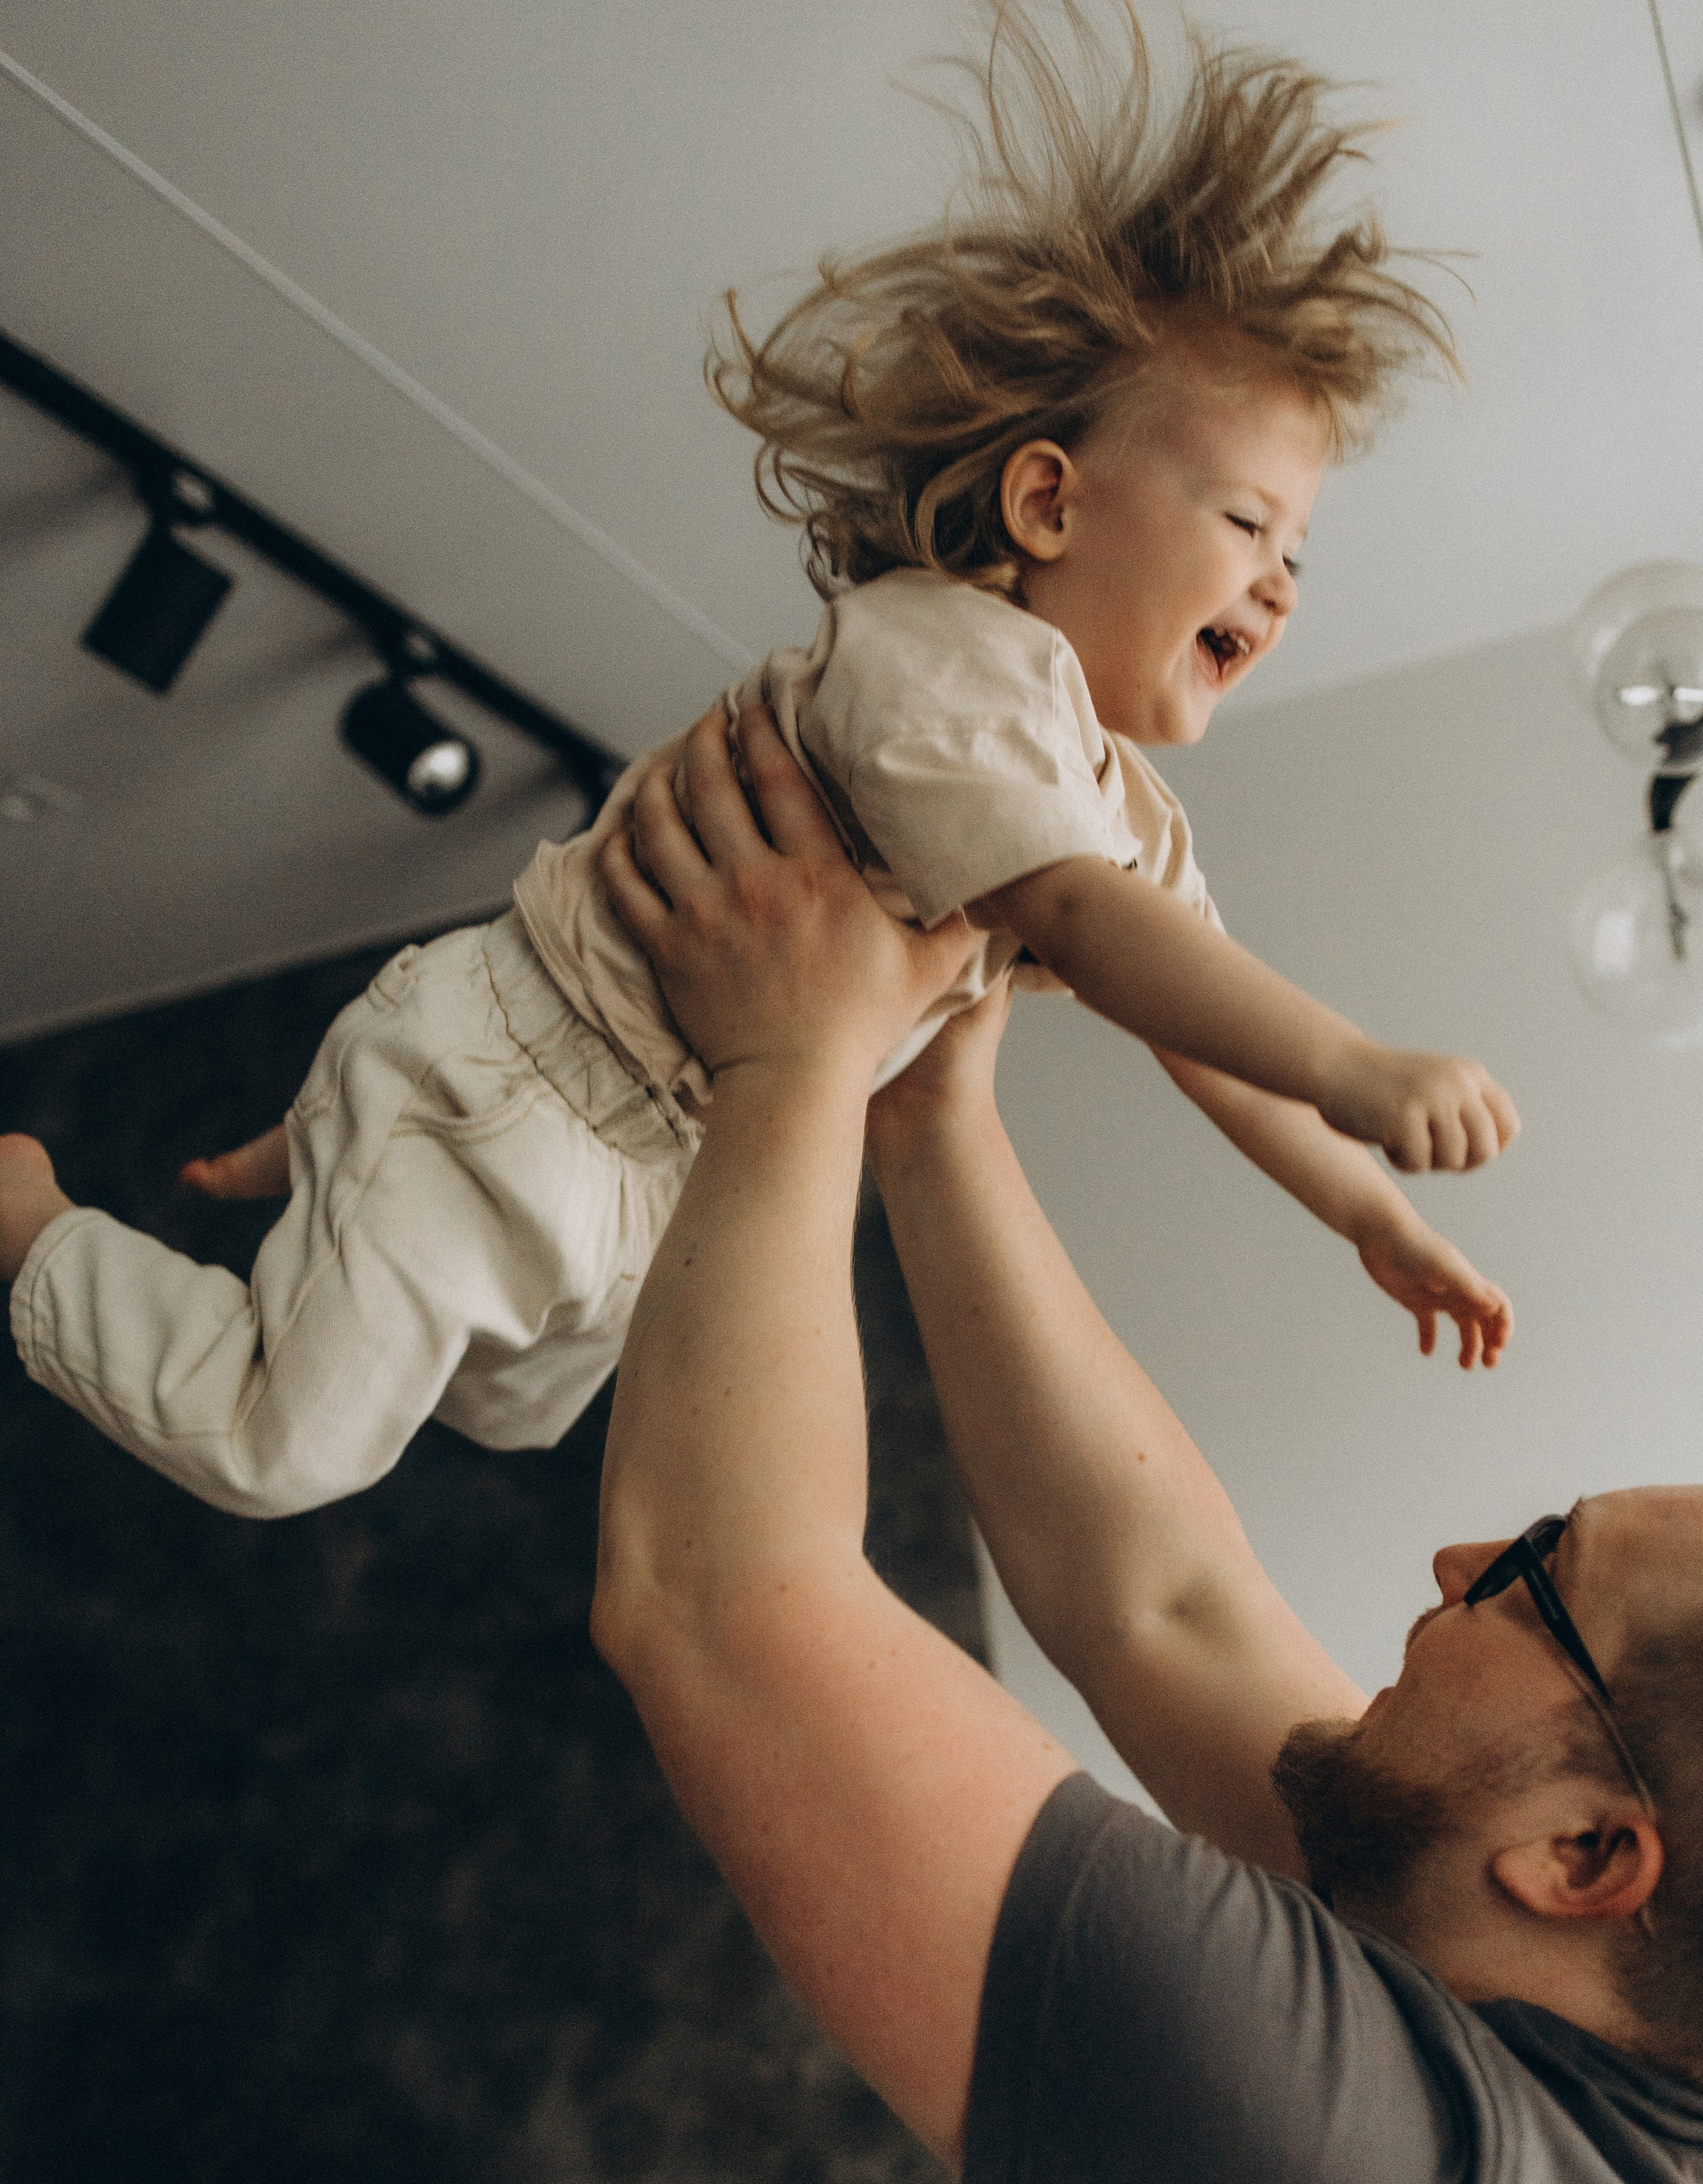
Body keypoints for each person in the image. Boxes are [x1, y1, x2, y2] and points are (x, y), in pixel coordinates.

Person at [588, 699, 1703, 2184]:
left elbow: (722, 1604)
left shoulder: (1376, 2181)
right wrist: (928, 1111)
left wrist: (788, 1058)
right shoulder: (1677, 2126)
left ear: (1583, 1854)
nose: (1463, 1548)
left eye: (1535, 1573)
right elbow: (1162, 1602)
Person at [1, 7, 1516, 1522]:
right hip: (523, 1083)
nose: (1277, 586)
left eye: (1297, 555)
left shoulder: (1117, 811)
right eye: (1247, 525)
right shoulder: (942, 657)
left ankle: (332, 1147)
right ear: (1048, 504)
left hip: (652, 1159)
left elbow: (1199, 1032)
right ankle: (36, 1225)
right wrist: (1357, 1064)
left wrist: (1363, 1211)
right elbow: (1091, 932)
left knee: (516, 1412)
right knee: (286, 1453)